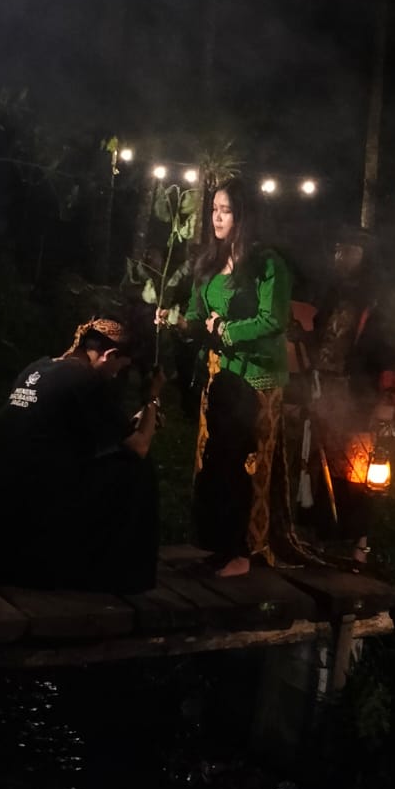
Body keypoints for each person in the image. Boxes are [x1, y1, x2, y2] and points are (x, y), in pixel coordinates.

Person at [163, 176, 312, 576]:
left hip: (257, 378)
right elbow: (198, 315)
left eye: (225, 211)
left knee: (247, 463)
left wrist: (226, 330)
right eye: (214, 209)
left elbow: (272, 320)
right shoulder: (209, 262)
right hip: (219, 377)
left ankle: (245, 551)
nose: (216, 218)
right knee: (214, 461)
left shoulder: (268, 264)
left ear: (244, 216)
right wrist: (179, 322)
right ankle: (215, 543)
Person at [0, 317, 162, 592]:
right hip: (35, 499)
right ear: (109, 354)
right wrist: (152, 398)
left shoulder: (37, 368)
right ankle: (116, 573)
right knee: (136, 468)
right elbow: (139, 446)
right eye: (120, 367)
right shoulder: (85, 379)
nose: (116, 375)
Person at [291, 226, 395, 564]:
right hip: (324, 388)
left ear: (364, 257)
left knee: (356, 468)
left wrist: (386, 400)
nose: (341, 256)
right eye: (338, 249)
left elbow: (388, 352)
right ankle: (322, 532)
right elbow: (321, 338)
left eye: (348, 250)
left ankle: (359, 542)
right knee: (320, 462)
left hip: (357, 393)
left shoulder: (377, 303)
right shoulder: (332, 293)